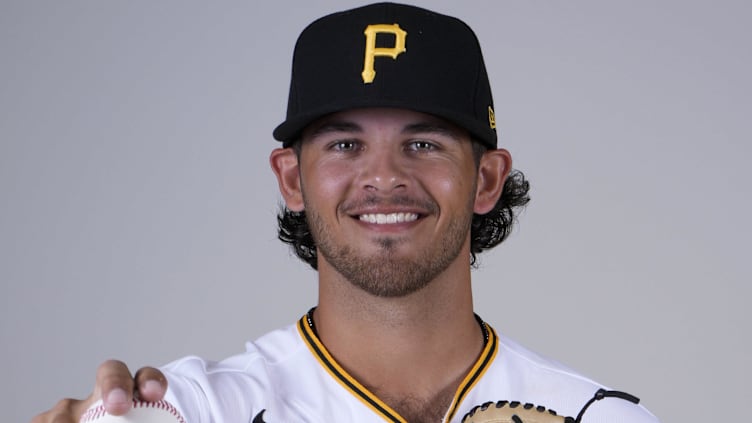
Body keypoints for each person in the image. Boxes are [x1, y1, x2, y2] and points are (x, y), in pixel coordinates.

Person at [32, 3, 660, 423]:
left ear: (487, 179)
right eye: (344, 144)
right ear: (291, 178)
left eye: (424, 143)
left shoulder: (593, 415)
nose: (384, 176)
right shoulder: (199, 409)